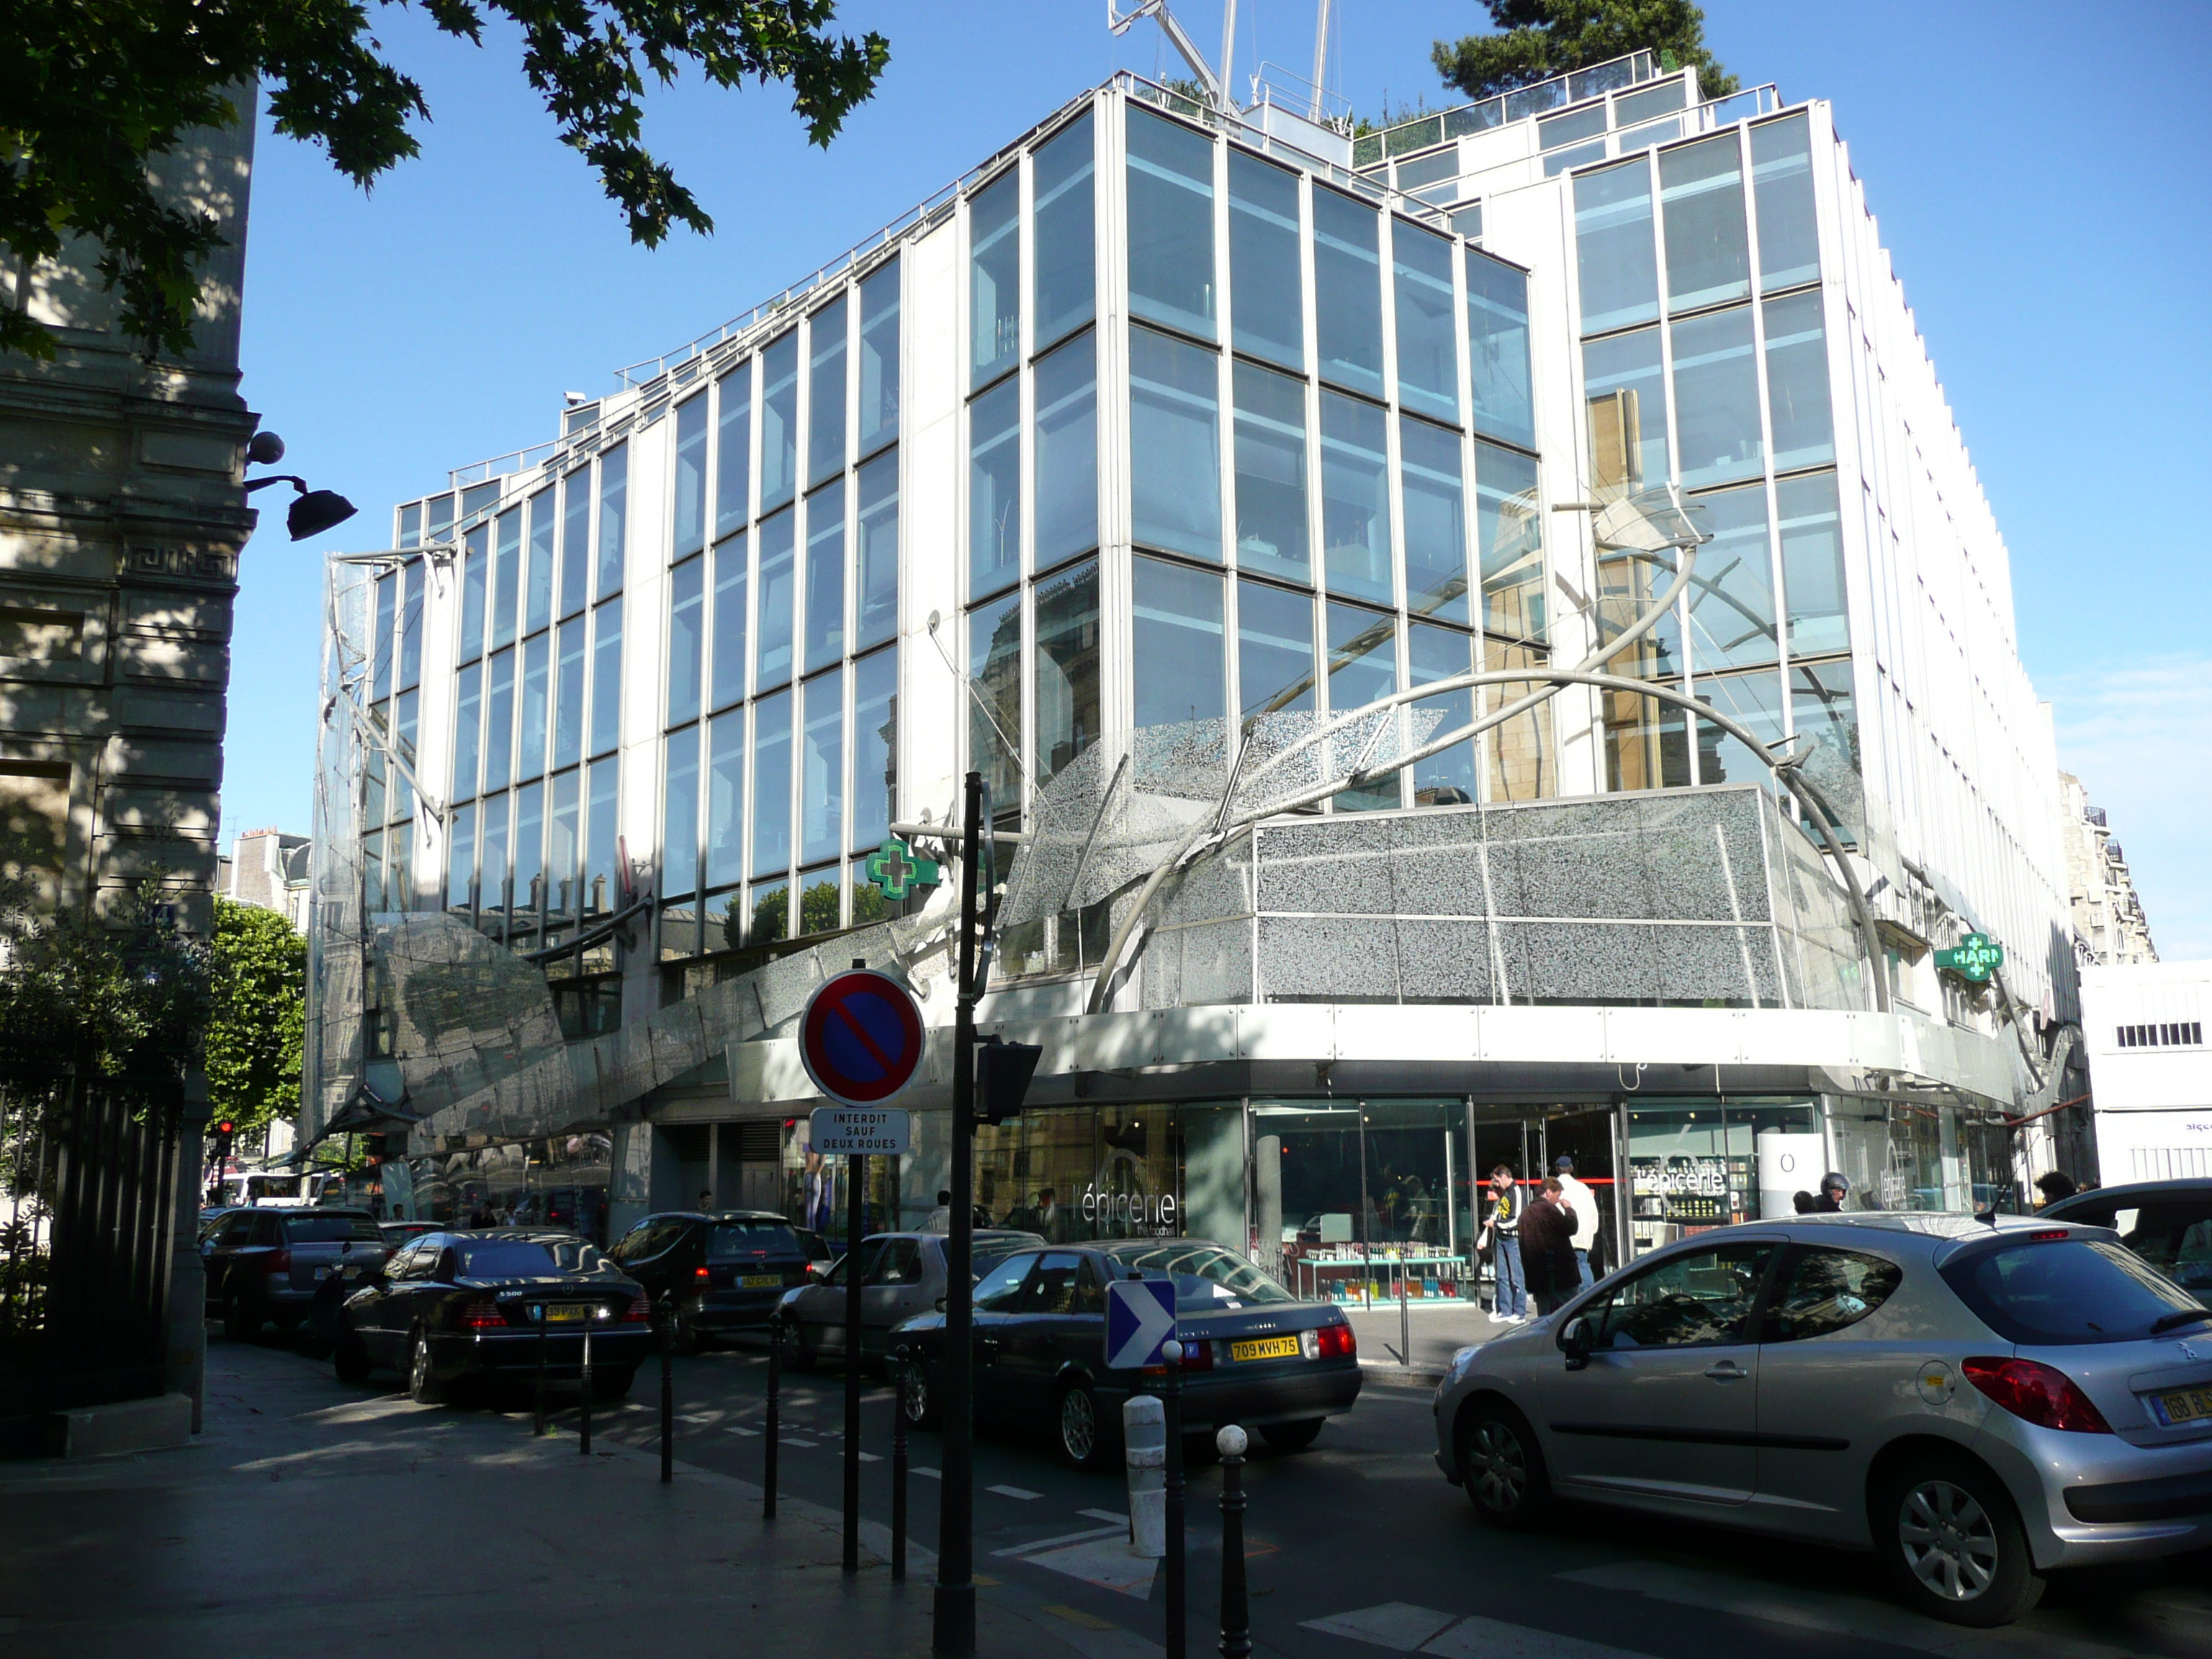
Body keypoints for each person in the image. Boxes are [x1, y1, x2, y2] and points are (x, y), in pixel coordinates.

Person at [1519, 1177, 1581, 1317]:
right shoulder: (1547, 1210)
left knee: (1545, 1314)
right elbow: (1570, 1227)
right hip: (1558, 1273)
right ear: (1548, 1192)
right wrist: (1569, 1209)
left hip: (1538, 1275)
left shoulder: (1526, 1213)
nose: (1557, 1199)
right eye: (1557, 1194)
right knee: (1572, 1309)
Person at [1479, 1166, 1525, 1324]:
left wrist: (1496, 1224)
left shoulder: (1516, 1192)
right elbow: (1499, 1213)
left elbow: (1516, 1219)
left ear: (1505, 1177)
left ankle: (1519, 1311)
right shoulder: (1504, 1194)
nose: (1497, 1183)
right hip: (1501, 1237)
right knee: (1501, 1276)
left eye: (1498, 1180)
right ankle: (1504, 1310)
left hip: (1511, 1239)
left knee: (1516, 1276)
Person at [1554, 1155, 1601, 1287]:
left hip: (1564, 1240)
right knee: (1583, 1269)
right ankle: (1589, 1301)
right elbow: (1594, 1216)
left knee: (1564, 1276)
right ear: (1572, 1168)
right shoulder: (1584, 1189)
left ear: (1557, 1169)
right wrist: (1589, 1233)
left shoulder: (1554, 1190)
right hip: (1582, 1239)